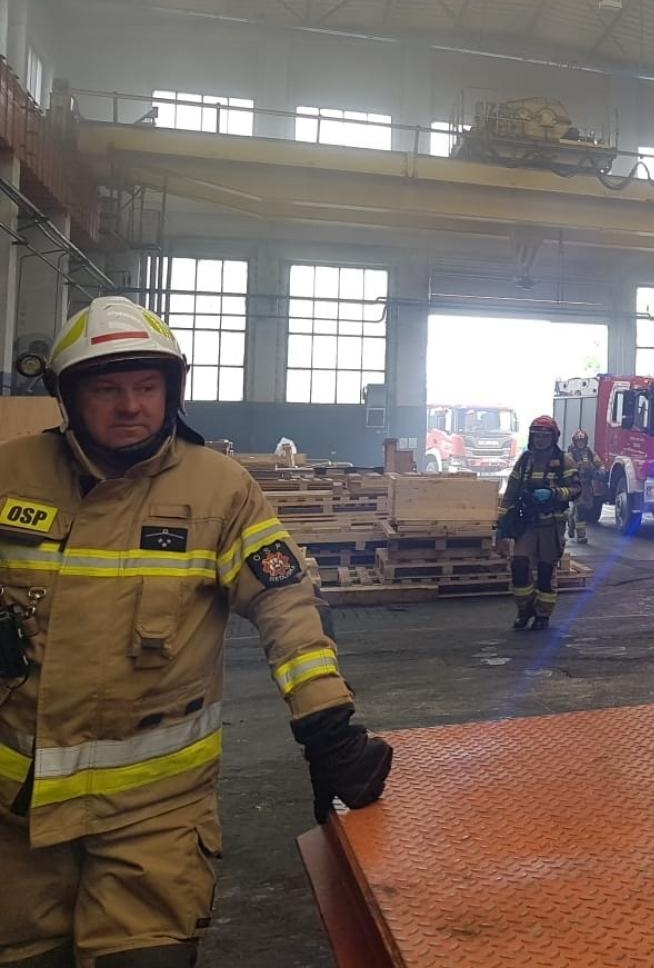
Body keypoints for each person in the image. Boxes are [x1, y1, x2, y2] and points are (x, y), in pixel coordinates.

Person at [0, 297, 392, 968]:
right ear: (70, 398)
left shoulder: (220, 491)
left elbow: (288, 607)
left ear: (171, 392)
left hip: (153, 822)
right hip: (13, 820)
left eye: (147, 388)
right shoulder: (11, 474)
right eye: (108, 389)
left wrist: (327, 727)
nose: (131, 406)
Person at [494, 416, 579, 631]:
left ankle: (543, 614)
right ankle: (525, 608)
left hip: (552, 525)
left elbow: (576, 489)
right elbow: (510, 493)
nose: (540, 440)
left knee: (545, 571)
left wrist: (553, 493)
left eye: (545, 436)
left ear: (553, 437)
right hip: (527, 524)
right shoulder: (524, 461)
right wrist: (502, 524)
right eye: (537, 436)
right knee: (519, 566)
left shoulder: (564, 461)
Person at [565, 430, 599, 546]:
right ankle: (581, 535)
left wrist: (601, 470)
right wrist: (580, 466)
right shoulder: (570, 453)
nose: (580, 443)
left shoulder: (589, 452)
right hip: (576, 484)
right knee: (580, 509)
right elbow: (568, 465)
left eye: (582, 441)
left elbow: (597, 461)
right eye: (579, 441)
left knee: (588, 506)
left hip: (587, 485)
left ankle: (571, 518)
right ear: (575, 441)